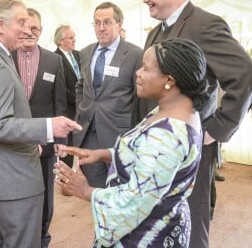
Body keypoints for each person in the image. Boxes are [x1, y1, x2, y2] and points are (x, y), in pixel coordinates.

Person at [138, 0, 252, 248]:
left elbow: (245, 75)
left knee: (190, 218)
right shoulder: (155, 32)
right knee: (159, 217)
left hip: (191, 145)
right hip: (158, 146)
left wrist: (217, 129)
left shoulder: (205, 24)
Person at [55, 38, 209, 248]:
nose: (137, 73)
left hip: (144, 237)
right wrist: (104, 154)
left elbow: (135, 201)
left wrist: (85, 190)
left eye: (146, 69)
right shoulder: (178, 110)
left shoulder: (165, 136)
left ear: (170, 80)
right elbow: (150, 160)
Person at [0, 0, 82, 248]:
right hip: (12, 180)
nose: (27, 28)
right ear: (0, 25)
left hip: (0, 177)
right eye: (21, 22)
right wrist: (49, 126)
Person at [11, 8, 67, 248]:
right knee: (14, 194)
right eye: (25, 27)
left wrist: (59, 141)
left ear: (41, 30)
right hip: (12, 140)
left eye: (35, 28)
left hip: (44, 142)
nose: (29, 32)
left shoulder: (54, 61)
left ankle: (42, 239)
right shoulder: (5, 57)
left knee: (44, 196)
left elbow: (60, 103)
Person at [72, 1, 142, 188]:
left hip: (118, 136)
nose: (101, 28)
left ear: (119, 24)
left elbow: (141, 95)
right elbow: (81, 85)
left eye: (107, 22)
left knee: (120, 191)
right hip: (88, 135)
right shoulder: (86, 52)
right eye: (97, 23)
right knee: (96, 191)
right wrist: (82, 108)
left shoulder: (135, 54)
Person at [54, 24, 81, 171]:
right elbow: (60, 88)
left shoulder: (79, 55)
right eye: (71, 38)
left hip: (83, 109)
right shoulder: (54, 58)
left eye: (74, 37)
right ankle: (66, 179)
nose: (74, 40)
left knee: (83, 143)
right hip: (68, 108)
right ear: (60, 41)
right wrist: (78, 100)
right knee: (68, 146)